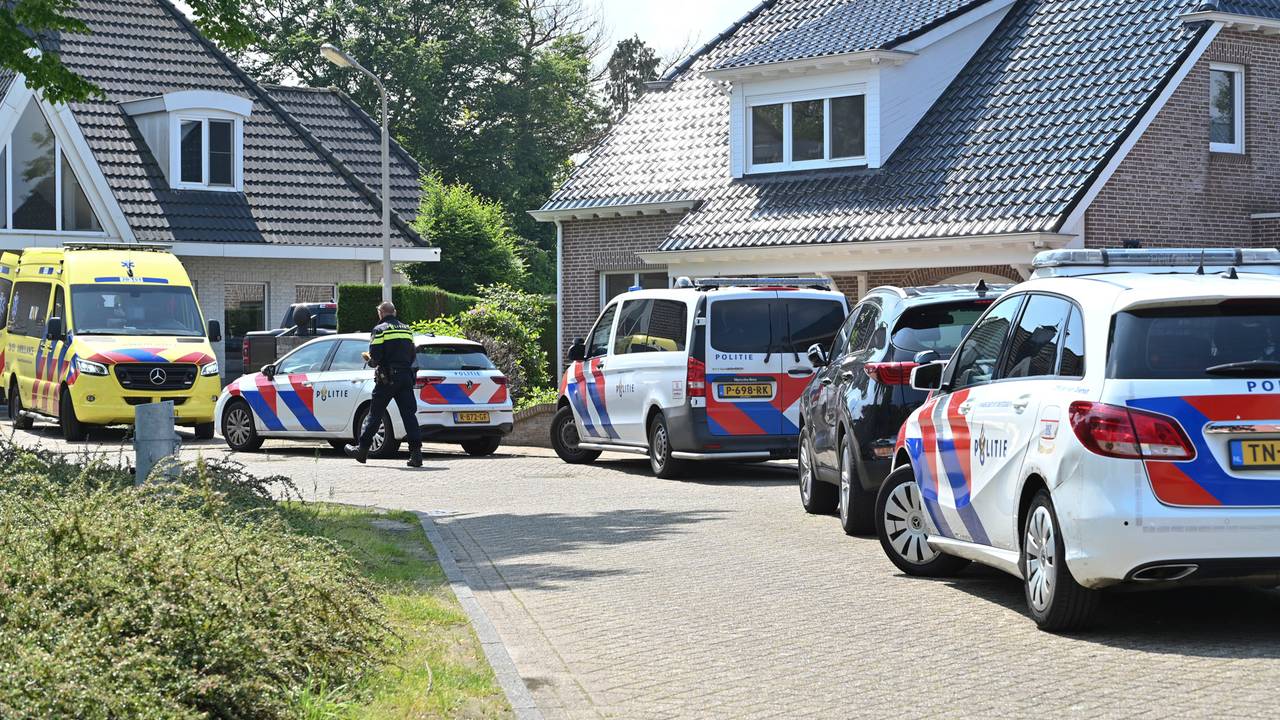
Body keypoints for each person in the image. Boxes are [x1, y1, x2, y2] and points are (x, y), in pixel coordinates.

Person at [345, 301, 424, 468]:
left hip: (387, 378)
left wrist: (370, 360)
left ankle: (362, 450)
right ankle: (416, 455)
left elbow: (376, 356)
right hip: (406, 377)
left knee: (375, 414)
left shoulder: (380, 330)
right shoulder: (407, 329)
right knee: (409, 416)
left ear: (381, 313)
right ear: (394, 313)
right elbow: (412, 354)